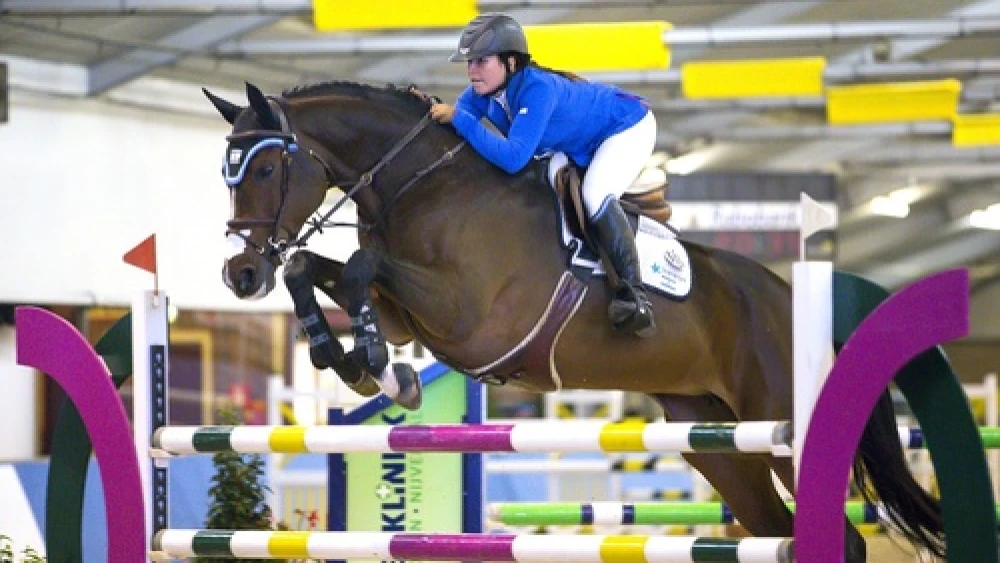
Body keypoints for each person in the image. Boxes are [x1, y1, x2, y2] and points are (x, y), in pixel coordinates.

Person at [430, 13, 657, 338]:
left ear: (510, 62)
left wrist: (461, 121)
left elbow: (512, 159)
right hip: (575, 141)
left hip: (625, 128)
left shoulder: (537, 89)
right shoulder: (481, 92)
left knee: (594, 193)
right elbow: (458, 123)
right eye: (469, 62)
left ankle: (635, 295)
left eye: (481, 61)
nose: (472, 71)